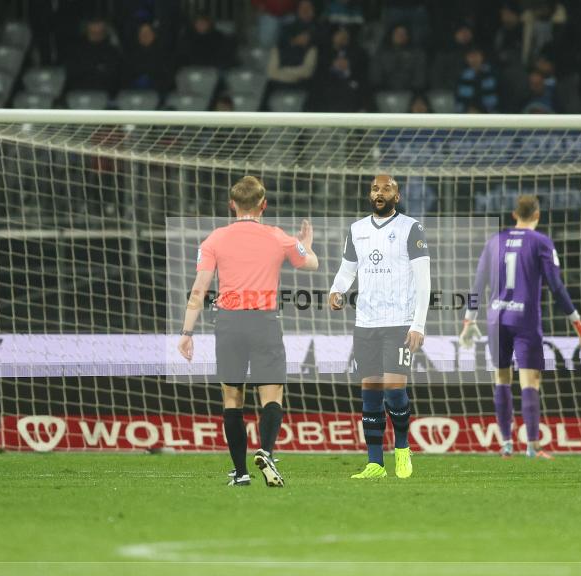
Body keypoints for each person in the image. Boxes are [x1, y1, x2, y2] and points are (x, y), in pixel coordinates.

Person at [178, 176, 319, 486]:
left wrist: (186, 333)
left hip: (228, 322)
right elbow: (311, 264)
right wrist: (305, 247)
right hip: (263, 322)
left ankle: (241, 473)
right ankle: (266, 451)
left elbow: (199, 290)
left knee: (232, 398)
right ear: (263, 205)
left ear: (232, 205)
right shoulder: (277, 237)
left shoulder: (214, 239)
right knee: (272, 394)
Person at [459, 195, 581, 458]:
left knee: (501, 378)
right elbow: (556, 286)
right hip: (524, 320)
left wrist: (468, 320)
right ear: (537, 216)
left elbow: (477, 285)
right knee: (530, 379)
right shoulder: (542, 242)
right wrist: (576, 319)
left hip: (496, 320)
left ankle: (506, 444)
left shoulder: (494, 242)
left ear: (514, 215)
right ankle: (531, 445)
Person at [329, 175, 431, 479]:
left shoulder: (411, 228)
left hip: (399, 323)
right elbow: (348, 269)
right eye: (375, 188)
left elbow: (424, 280)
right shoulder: (357, 229)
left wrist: (418, 324)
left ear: (396, 196)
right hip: (366, 323)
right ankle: (375, 463)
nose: (379, 192)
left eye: (386, 189)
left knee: (395, 391)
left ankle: (402, 449)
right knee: (370, 392)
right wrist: (337, 290)